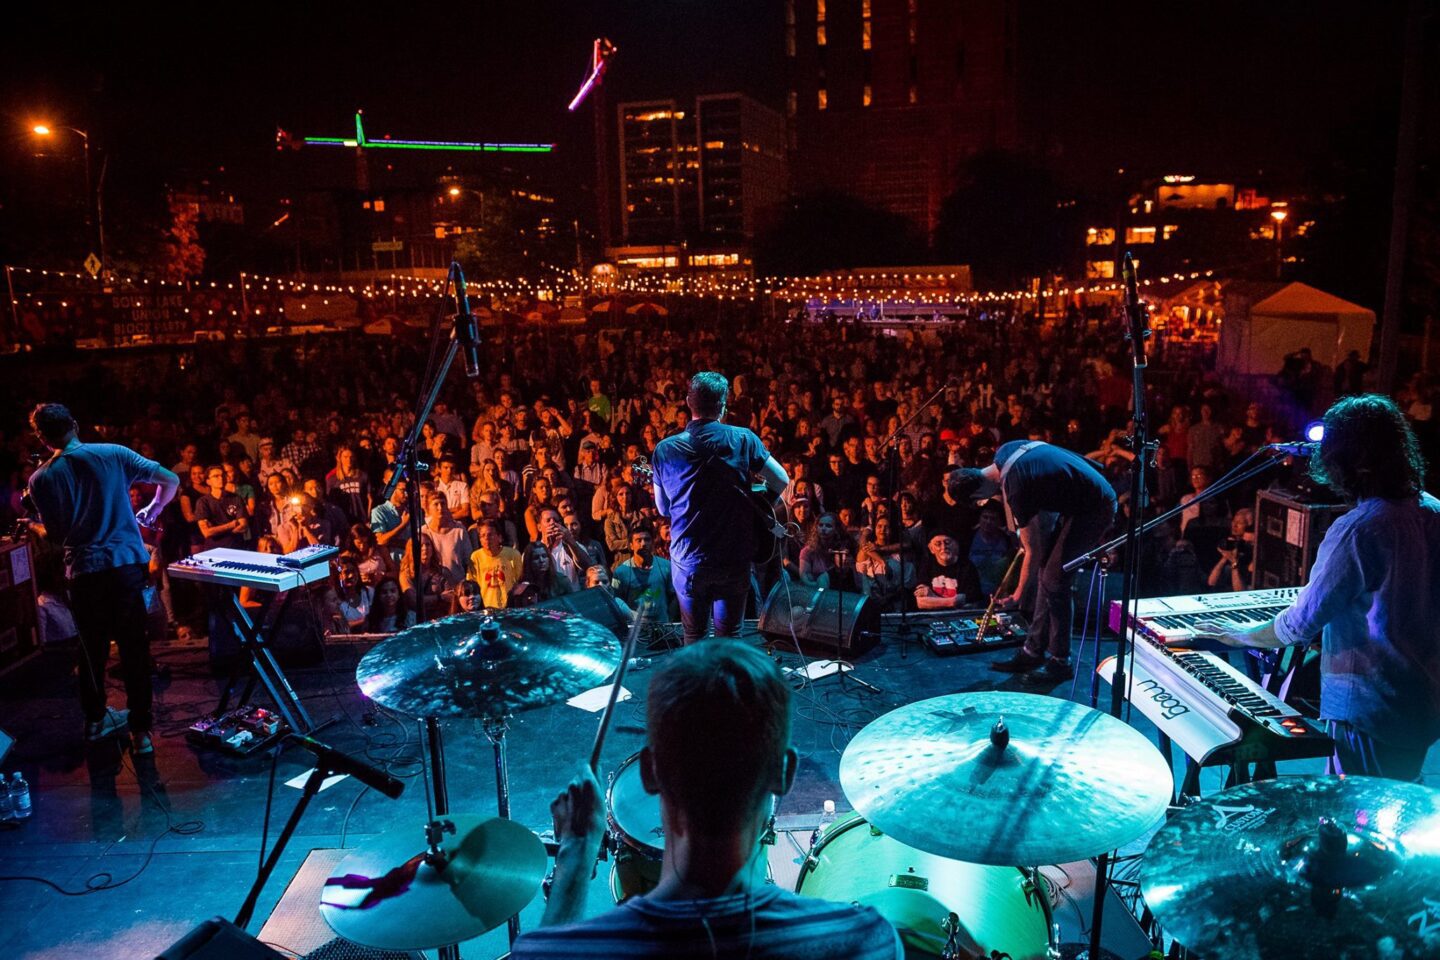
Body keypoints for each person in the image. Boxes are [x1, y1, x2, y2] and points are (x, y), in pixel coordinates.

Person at [510, 641, 900, 959]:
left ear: (649, 771)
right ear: (784, 773)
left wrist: (575, 858)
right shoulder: (865, 941)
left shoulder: (553, 951)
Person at [1200, 395, 1440, 781]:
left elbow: (1297, 626)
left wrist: (1236, 636)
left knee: (1356, 816)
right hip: (1422, 704)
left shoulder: (1359, 530)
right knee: (1399, 804)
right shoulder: (1432, 510)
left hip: (1368, 707)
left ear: (1346, 461)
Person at [23, 403, 179, 754]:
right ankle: (141, 734)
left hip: (84, 573)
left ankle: (95, 722)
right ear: (74, 425)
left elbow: (60, 533)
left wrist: (37, 525)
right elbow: (171, 479)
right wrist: (153, 509)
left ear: (44, 439)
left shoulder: (41, 479)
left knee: (91, 651)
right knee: (133, 649)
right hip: (125, 567)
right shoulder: (113, 453)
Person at [948, 440, 1117, 684]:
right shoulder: (1005, 451)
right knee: (1045, 575)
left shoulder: (1015, 487)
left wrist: (1017, 595)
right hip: (1080, 497)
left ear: (977, 494)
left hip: (1095, 507)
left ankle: (1061, 662)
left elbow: (1032, 551)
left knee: (1055, 582)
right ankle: (1033, 651)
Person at [650, 373, 788, 643]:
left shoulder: (665, 449)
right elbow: (781, 480)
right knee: (729, 635)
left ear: (689, 402)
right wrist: (759, 500)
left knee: (694, 635)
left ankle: (699, 685)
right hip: (733, 557)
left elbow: (663, 509)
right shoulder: (743, 439)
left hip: (689, 559)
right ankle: (726, 685)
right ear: (724, 404)